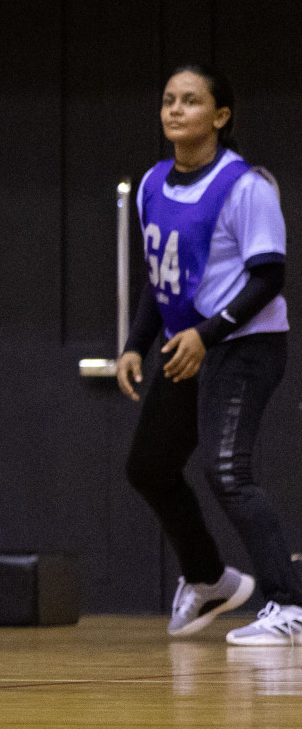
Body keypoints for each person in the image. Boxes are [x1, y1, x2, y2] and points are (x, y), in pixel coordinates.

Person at [117, 63, 300, 645]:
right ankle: (210, 580)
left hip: (244, 344)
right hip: (188, 345)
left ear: (220, 117)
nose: (175, 110)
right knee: (148, 466)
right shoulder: (151, 185)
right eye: (169, 99)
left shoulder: (245, 186)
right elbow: (157, 277)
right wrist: (133, 345)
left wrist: (207, 335)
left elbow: (268, 277)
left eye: (191, 101)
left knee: (228, 470)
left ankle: (291, 605)